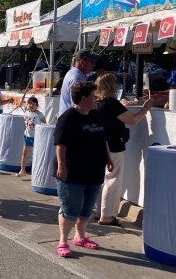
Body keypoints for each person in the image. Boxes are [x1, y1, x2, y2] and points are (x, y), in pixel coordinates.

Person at [53, 81, 112, 258]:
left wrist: (108, 158)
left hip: (94, 171)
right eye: (94, 96)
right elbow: (60, 144)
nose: (97, 99)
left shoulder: (95, 114)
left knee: (87, 208)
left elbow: (103, 139)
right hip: (73, 171)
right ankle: (63, 241)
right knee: (71, 208)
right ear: (84, 98)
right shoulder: (68, 117)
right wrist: (62, 165)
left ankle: (80, 236)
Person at [95, 73, 152, 226]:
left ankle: (99, 211)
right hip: (114, 145)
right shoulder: (112, 104)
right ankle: (106, 215)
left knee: (102, 180)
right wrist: (145, 109)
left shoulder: (97, 103)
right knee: (112, 180)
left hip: (100, 144)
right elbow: (132, 120)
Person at [58, 50, 98, 117]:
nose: (94, 65)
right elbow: (78, 105)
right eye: (92, 62)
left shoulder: (72, 73)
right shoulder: (77, 78)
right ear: (82, 62)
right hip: (72, 120)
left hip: (69, 117)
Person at [17, 96, 46, 178]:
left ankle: (37, 171)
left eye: (33, 104)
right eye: (29, 103)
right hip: (27, 136)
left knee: (36, 155)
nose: (31, 105)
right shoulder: (26, 113)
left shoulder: (39, 114)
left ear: (37, 105)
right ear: (27, 105)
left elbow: (45, 124)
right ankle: (22, 170)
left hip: (37, 137)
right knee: (24, 153)